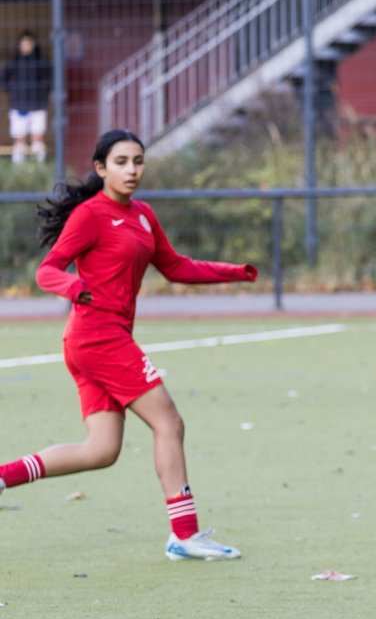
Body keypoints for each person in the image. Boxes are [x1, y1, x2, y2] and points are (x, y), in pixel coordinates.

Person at [0, 129, 258, 560]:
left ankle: (3, 476)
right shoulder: (89, 215)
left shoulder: (142, 215)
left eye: (138, 161)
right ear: (101, 168)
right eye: (121, 162)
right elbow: (47, 271)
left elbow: (175, 266)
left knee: (101, 450)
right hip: (97, 337)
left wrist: (233, 272)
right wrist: (73, 285)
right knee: (169, 423)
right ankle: (185, 535)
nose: (132, 170)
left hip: (99, 340)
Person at [2, 30, 52, 163]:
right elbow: (3, 81)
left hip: (38, 105)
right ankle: (19, 169)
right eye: (23, 43)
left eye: (29, 43)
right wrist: (13, 91)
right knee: (19, 139)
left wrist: (42, 92)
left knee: (37, 138)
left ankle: (39, 167)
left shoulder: (42, 63)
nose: (26, 46)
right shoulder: (13, 63)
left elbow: (51, 81)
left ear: (34, 44)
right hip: (18, 106)